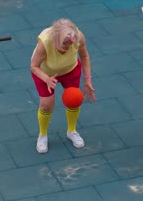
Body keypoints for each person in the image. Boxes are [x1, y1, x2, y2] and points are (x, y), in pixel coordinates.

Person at [30, 19, 96, 154]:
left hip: (70, 69)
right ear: (56, 39)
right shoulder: (46, 42)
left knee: (74, 100)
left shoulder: (78, 36)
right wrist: (46, 79)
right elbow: (34, 66)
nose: (69, 45)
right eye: (65, 42)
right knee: (46, 105)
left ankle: (72, 131)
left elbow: (84, 55)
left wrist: (88, 80)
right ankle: (42, 135)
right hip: (45, 72)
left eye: (71, 42)